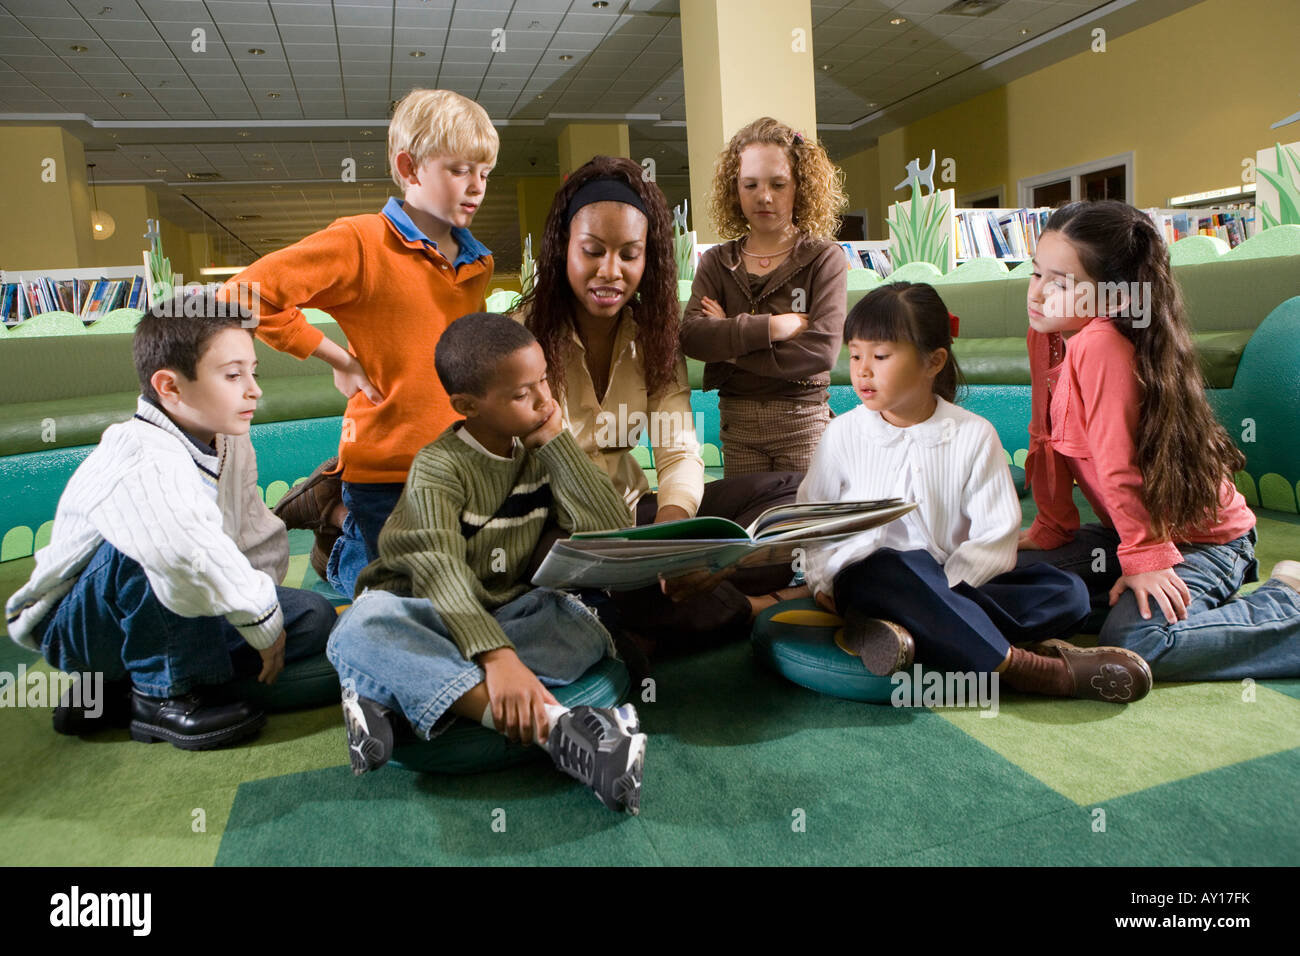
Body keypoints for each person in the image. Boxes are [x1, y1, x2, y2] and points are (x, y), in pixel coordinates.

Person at [326, 313, 646, 815]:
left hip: (504, 613)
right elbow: (440, 572)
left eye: (544, 380)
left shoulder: (541, 450)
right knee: (358, 629)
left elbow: (610, 534)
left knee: (582, 623)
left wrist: (558, 446)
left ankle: (385, 691)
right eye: (523, 394)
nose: (544, 400)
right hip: (423, 611)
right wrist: (498, 659)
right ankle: (566, 735)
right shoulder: (439, 466)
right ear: (467, 407)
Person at [4, 291, 337, 749]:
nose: (254, 389)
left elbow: (248, 533)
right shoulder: (141, 453)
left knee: (312, 616)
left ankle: (118, 687)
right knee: (154, 544)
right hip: (78, 627)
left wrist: (265, 612)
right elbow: (183, 551)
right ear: (171, 387)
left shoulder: (228, 439)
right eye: (233, 375)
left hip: (175, 603)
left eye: (253, 373)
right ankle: (161, 697)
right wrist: (258, 622)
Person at [799, 282, 1153, 703]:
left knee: (1066, 593)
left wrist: (943, 595)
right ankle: (1025, 669)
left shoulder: (973, 434)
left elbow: (995, 538)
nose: (862, 370)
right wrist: (821, 580)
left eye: (880, 356)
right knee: (895, 568)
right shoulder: (842, 433)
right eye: (855, 355)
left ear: (934, 361)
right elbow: (811, 521)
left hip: (956, 582)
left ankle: (907, 630)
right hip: (869, 580)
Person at [514, 155, 804, 662]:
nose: (611, 271)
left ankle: (687, 589)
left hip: (639, 522)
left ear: (649, 259)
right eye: (592, 251)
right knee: (576, 578)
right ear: (563, 250)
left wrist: (677, 539)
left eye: (630, 254)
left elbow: (678, 452)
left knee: (792, 490)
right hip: (556, 532)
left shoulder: (654, 339)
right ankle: (751, 606)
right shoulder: (520, 337)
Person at [226, 88, 497, 598]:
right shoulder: (359, 241)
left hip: (459, 465)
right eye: (460, 170)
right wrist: (337, 357)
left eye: (484, 173)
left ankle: (332, 510)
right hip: (387, 467)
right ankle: (340, 527)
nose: (477, 186)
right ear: (410, 167)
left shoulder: (479, 264)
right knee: (404, 597)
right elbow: (242, 295)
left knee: (479, 584)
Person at [1016, 200, 1300, 681]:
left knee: (1138, 643)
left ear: (1114, 297)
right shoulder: (1048, 335)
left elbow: (1118, 463)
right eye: (1036, 273)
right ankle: (1172, 606)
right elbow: (1044, 440)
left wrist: (1145, 557)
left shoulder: (1099, 343)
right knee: (1008, 580)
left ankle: (1286, 601)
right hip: (1128, 534)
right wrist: (1052, 527)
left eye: (1060, 283)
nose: (1038, 294)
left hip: (1204, 540)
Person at [681, 116, 849, 476]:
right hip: (737, 425)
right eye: (750, 184)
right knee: (748, 530)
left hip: (803, 423)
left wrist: (727, 345)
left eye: (778, 183)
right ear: (735, 189)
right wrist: (772, 328)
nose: (764, 196)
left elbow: (820, 352)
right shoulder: (716, 261)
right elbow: (692, 337)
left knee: (802, 530)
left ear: (800, 187)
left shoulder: (825, 258)